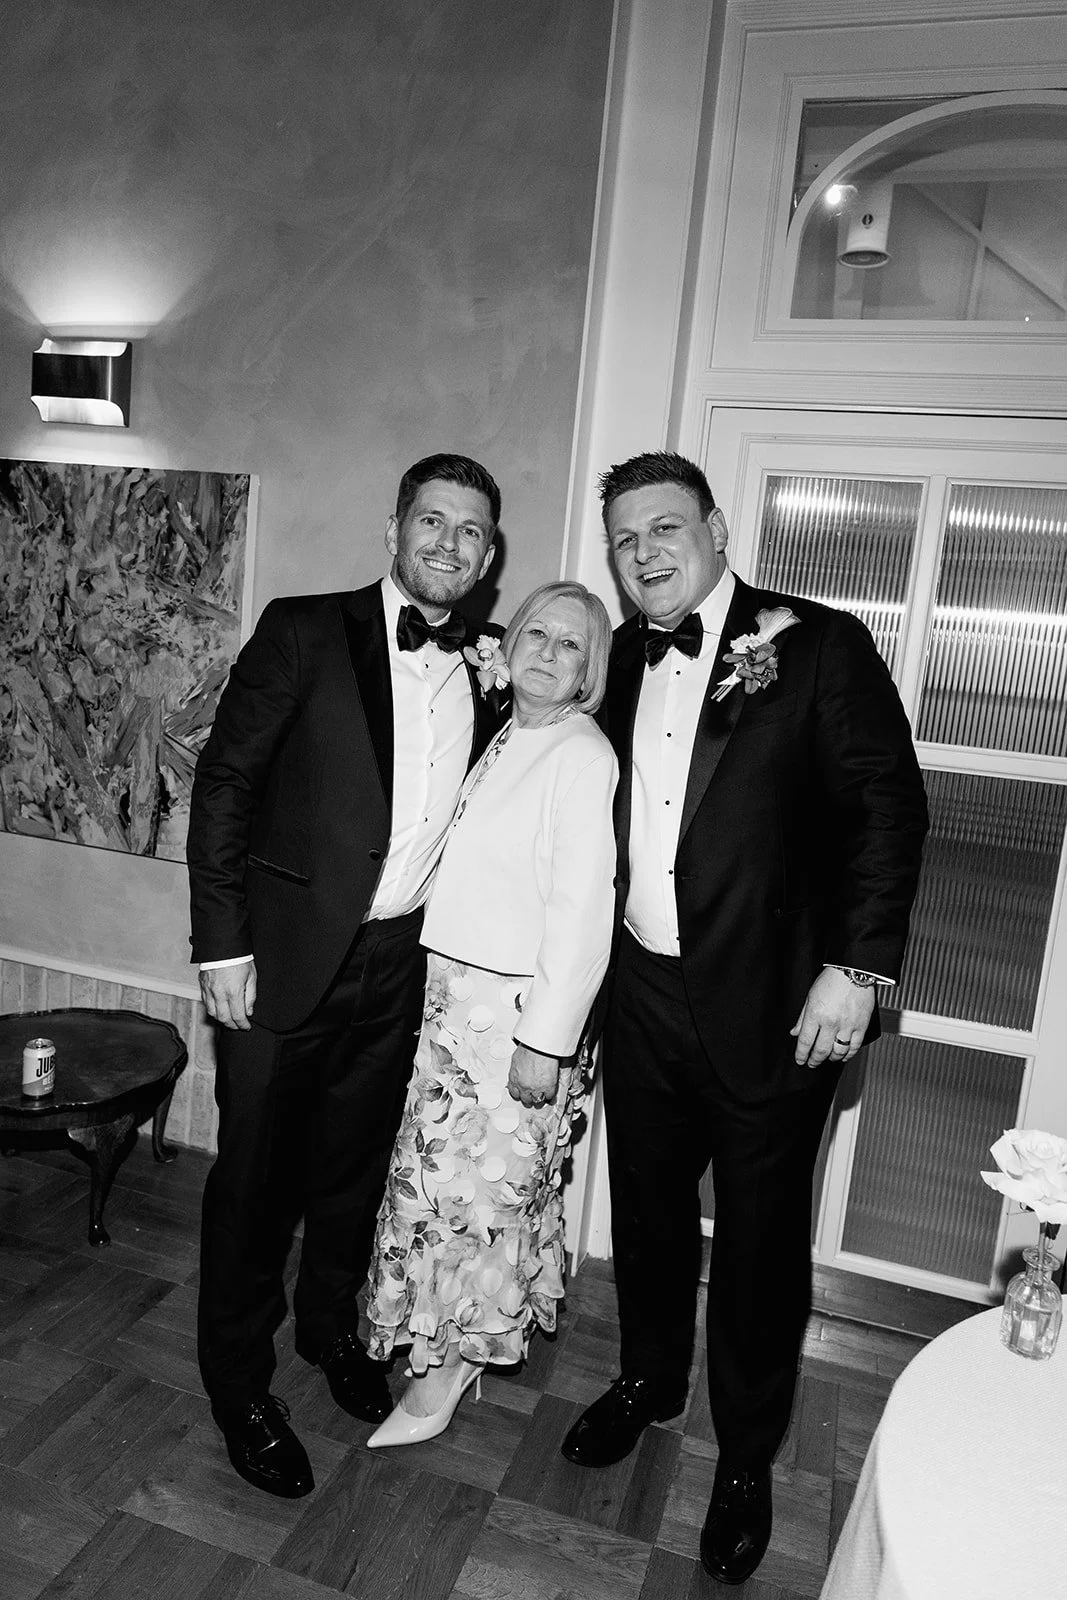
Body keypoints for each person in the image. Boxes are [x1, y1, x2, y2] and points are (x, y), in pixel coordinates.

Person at [560, 452, 928, 1585]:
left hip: (778, 1004)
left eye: (664, 527)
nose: (644, 553)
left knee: (763, 1244)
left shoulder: (815, 643)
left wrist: (853, 971)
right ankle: (646, 1378)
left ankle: (746, 1456)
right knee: (651, 1210)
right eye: (623, 539)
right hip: (643, 989)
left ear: (716, 530)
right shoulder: (615, 659)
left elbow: (885, 807)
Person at [186, 453, 508, 1498]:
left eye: (469, 530)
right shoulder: (302, 628)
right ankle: (237, 1382)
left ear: (489, 554)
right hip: (276, 959)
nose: (448, 543)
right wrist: (219, 944)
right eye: (431, 521)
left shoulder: (494, 670)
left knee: (351, 1174)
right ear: (392, 529)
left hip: (397, 963)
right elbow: (225, 783)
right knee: (253, 1184)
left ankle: (330, 1333)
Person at [363, 580, 618, 1446]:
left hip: (513, 1017)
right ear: (507, 646)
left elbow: (583, 914)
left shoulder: (582, 755)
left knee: (472, 1201)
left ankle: (441, 1372)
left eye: (570, 644)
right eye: (535, 633)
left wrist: (543, 1042)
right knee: (442, 1195)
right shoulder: (510, 733)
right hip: (453, 1005)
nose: (547, 651)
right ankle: (448, 1347)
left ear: (590, 672)